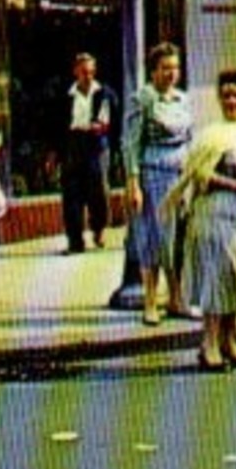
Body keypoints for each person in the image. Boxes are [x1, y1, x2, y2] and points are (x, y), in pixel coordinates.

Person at [162, 68, 236, 372]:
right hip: (219, 214)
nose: (232, 101)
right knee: (219, 277)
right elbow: (198, 175)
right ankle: (208, 344)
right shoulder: (211, 134)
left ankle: (230, 340)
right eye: (226, 95)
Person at [123, 42, 198, 326]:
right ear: (153, 70)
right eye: (165, 68)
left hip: (181, 172)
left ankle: (177, 298)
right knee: (154, 237)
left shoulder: (183, 99)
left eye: (175, 68)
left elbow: (190, 137)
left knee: (179, 239)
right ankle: (151, 302)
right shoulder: (143, 99)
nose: (171, 73)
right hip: (154, 172)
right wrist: (133, 183)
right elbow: (130, 143)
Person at [59, 52, 117, 254]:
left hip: (96, 144)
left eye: (92, 72)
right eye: (84, 72)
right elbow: (56, 124)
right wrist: (55, 153)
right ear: (76, 72)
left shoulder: (105, 93)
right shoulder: (66, 95)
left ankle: (99, 229)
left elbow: (114, 121)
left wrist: (107, 134)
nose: (88, 76)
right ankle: (75, 240)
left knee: (98, 190)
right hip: (73, 144)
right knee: (72, 193)